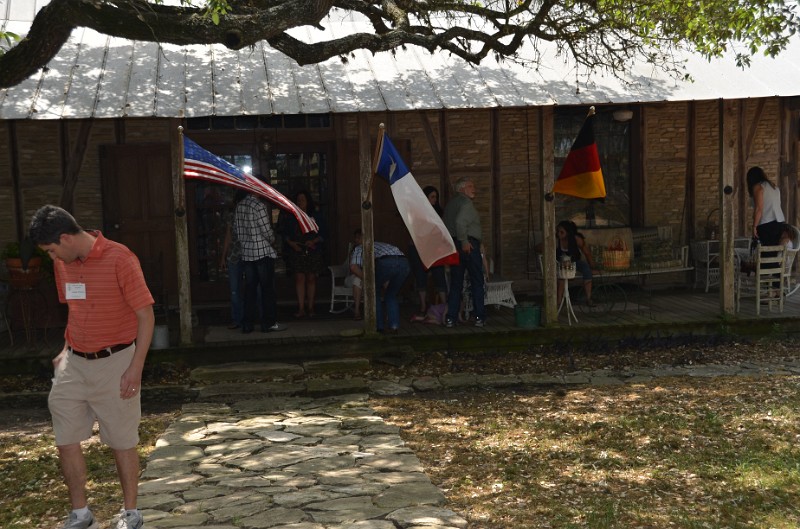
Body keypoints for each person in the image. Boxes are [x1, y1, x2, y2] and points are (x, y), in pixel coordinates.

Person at [28, 205, 154, 529]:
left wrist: (135, 367)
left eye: (52, 249)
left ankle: (130, 514)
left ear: (66, 238)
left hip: (117, 361)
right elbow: (77, 309)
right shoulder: (63, 264)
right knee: (64, 436)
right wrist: (65, 350)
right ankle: (81, 514)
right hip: (74, 363)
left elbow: (146, 316)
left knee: (122, 440)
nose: (51, 257)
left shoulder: (121, 258)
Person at [233, 193, 287, 334]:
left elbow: (237, 231)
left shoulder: (240, 205)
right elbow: (267, 231)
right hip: (262, 253)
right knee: (267, 290)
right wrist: (272, 239)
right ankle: (268, 323)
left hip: (247, 253)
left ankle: (247, 324)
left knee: (250, 290)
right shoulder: (259, 205)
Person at [443, 177, 486, 327]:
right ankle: (479, 317)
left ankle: (450, 318)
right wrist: (464, 241)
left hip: (455, 245)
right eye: (470, 186)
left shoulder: (450, 204)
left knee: (456, 283)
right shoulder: (466, 203)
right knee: (477, 281)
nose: (474, 188)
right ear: (462, 189)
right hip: (468, 245)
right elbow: (460, 222)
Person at [280, 190, 326, 318]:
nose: (300, 202)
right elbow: (285, 234)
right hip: (297, 250)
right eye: (298, 200)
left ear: (308, 201)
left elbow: (323, 234)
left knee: (311, 278)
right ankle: (301, 308)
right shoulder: (291, 217)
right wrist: (292, 244)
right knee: (299, 278)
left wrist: (314, 241)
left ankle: (310, 307)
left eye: (303, 200)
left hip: (312, 250)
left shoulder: (315, 216)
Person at [350, 239, 410, 333]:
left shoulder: (359, 247)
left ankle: (379, 326)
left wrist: (367, 280)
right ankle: (394, 326)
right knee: (391, 295)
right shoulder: (381, 244)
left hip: (386, 262)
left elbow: (353, 267)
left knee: (374, 293)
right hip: (404, 263)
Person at [407, 186, 448, 317]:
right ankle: (423, 305)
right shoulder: (417, 212)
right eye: (432, 197)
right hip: (418, 248)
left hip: (433, 248)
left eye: (436, 197)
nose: (435, 200)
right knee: (420, 275)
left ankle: (445, 303)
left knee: (439, 273)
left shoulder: (438, 212)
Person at [220, 190, 247, 329]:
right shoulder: (232, 215)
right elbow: (228, 237)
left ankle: (243, 319)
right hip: (237, 255)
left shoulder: (248, 215)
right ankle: (238, 319)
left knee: (238, 289)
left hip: (247, 255)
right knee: (236, 290)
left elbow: (228, 237)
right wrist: (223, 257)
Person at [556, 220, 595, 307]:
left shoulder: (576, 239)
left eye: (561, 232)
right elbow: (542, 247)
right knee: (562, 275)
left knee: (586, 269)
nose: (559, 234)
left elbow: (587, 253)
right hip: (561, 264)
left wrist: (593, 267)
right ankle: (559, 301)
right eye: (558, 231)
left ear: (568, 232)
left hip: (574, 262)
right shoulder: (556, 240)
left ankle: (588, 298)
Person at [747, 166, 786, 246]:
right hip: (779, 223)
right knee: (774, 252)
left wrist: (754, 226)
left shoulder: (758, 187)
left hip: (767, 225)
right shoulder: (773, 186)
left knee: (765, 253)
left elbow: (759, 209)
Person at [346, 229, 364, 320]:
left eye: (359, 238)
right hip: (354, 276)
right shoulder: (355, 250)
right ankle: (357, 311)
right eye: (356, 238)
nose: (356, 240)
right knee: (357, 280)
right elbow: (353, 268)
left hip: (366, 277)